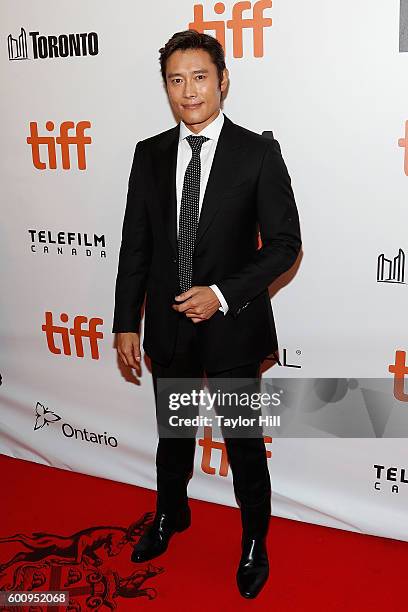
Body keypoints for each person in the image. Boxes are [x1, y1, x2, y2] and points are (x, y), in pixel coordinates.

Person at [112, 29, 301, 599]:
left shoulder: (257, 152)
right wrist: (126, 321)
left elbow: (285, 244)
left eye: (199, 77)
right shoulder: (149, 154)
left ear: (222, 81)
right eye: (176, 80)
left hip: (233, 328)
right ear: (166, 88)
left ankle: (252, 539)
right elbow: (135, 245)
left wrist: (221, 293)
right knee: (172, 434)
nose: (188, 90)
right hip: (167, 326)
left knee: (242, 442)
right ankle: (171, 513)